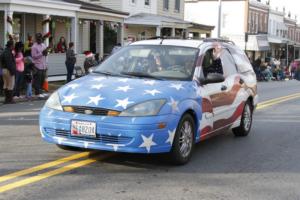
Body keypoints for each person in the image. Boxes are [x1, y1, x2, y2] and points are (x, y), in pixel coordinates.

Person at [31, 33, 48, 98]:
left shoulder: (43, 45)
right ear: (36, 39)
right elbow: (33, 56)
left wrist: (46, 53)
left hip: (43, 65)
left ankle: (40, 92)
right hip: (37, 65)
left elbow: (45, 54)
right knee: (37, 80)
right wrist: (41, 53)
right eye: (38, 38)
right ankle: (37, 93)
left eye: (40, 38)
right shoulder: (34, 47)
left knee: (42, 80)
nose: (40, 39)